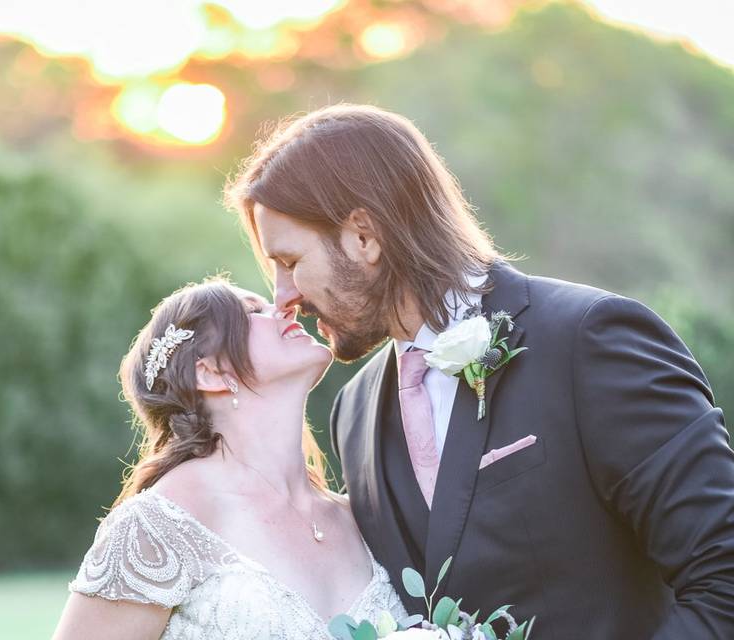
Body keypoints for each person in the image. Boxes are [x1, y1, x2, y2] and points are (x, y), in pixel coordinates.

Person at [223, 103, 734, 638]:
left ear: (364, 236)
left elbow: (723, 575)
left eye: (288, 263)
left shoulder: (589, 339)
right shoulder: (353, 415)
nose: (283, 298)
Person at [51, 277, 406, 639]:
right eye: (254, 312)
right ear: (211, 372)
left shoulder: (359, 516)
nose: (286, 308)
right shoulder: (160, 524)